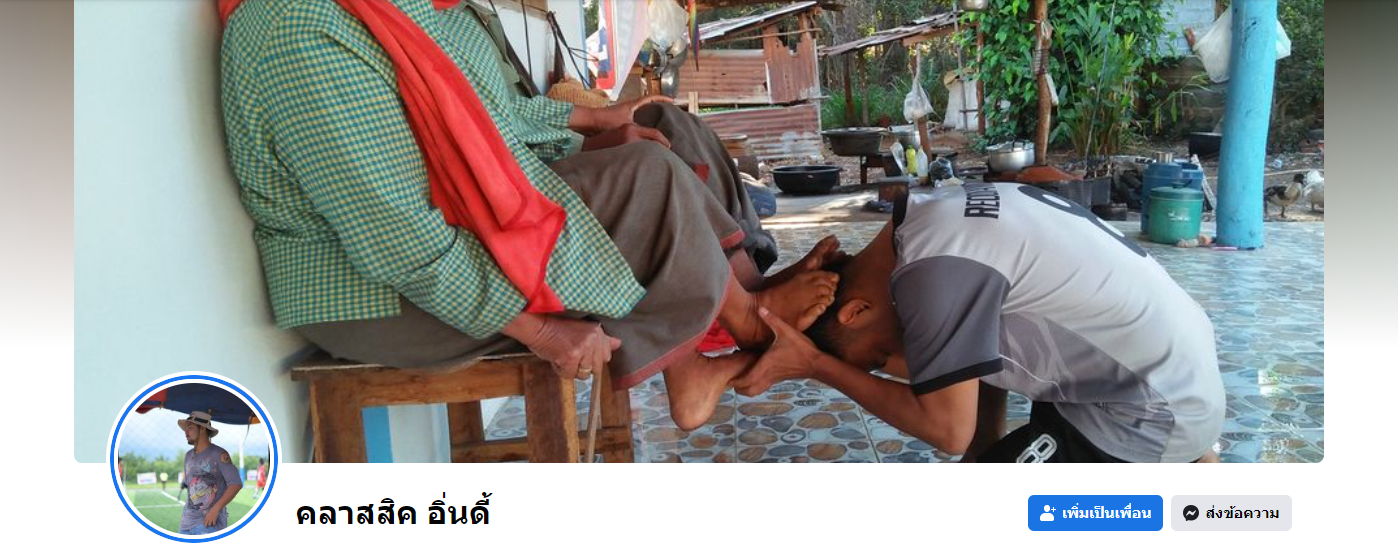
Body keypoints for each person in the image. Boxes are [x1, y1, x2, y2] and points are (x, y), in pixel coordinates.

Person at [218, 0, 837, 432]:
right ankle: (749, 325)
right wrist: (543, 333)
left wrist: (599, 121)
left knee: (664, 125)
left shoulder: (401, 9)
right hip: (377, 300)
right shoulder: (297, 28)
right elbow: (403, 245)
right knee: (647, 181)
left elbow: (494, 116)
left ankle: (742, 298)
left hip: (456, 219)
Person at [735, 182, 1226, 462]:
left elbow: (947, 429)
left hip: (1147, 411)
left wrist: (817, 365)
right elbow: (974, 367)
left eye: (877, 358)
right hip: (1164, 372)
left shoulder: (932, 277)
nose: (893, 362)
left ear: (856, 311)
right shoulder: (925, 219)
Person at [178, 411, 243, 534]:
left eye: (190, 428)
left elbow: (236, 483)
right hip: (186, 524)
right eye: (185, 428)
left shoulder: (219, 454)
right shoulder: (187, 456)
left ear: (202, 429)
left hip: (208, 524)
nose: (186, 432)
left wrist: (216, 509)